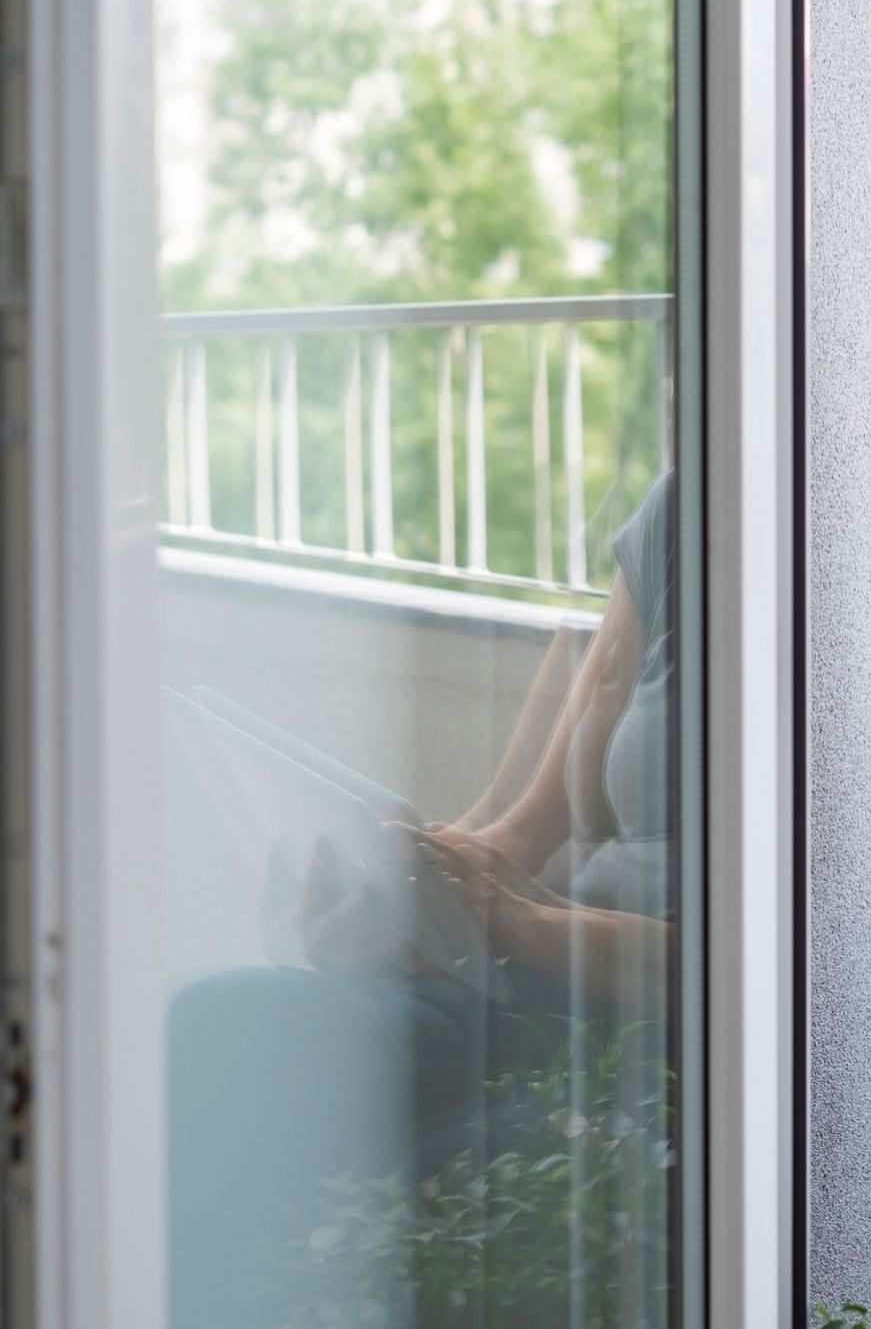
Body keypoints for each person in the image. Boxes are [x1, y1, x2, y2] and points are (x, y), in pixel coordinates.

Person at [167, 468, 676, 1328]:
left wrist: (515, 920)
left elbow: (759, 983)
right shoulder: (687, 497)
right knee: (219, 1022)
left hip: (637, 1029)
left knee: (351, 1134)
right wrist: (413, 895)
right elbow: (518, 833)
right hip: (532, 977)